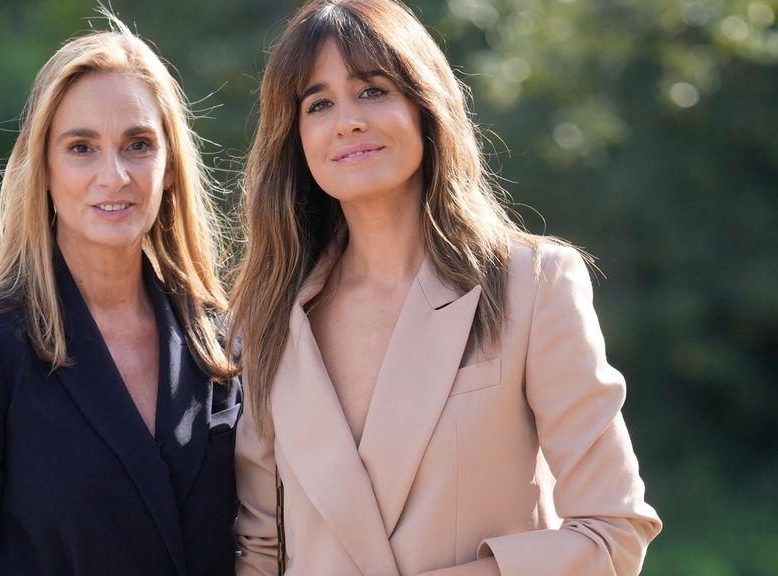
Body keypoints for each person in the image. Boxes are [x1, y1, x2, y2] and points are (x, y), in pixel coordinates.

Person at [228, 0, 662, 575]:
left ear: (425, 106)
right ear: (296, 139)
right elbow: (258, 554)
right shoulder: (261, 324)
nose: (347, 120)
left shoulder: (533, 286)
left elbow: (614, 532)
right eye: (318, 103)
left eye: (373, 90)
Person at [0, 11, 240, 576]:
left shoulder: (219, 342)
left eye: (137, 145)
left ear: (171, 167)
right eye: (81, 147)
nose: (114, 176)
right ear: (44, 169)